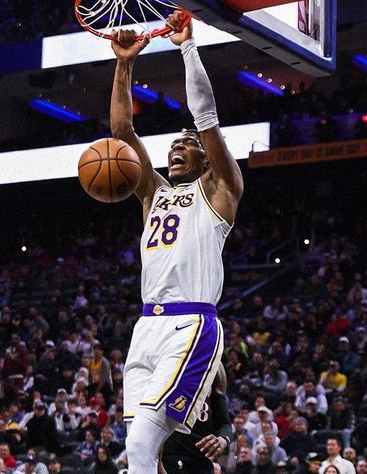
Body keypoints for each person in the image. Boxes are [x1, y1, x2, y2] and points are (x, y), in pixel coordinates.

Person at [110, 10, 244, 472]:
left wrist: (187, 47)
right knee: (141, 450)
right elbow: (122, 134)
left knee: (142, 440)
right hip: (146, 325)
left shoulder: (220, 191)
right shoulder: (154, 194)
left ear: (208, 158)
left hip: (191, 323)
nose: (176, 147)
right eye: (173, 144)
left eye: (187, 144)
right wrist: (124, 63)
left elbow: (205, 116)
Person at [161, 363, 234, 474]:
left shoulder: (216, 366)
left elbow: (225, 424)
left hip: (202, 460)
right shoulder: (168, 360)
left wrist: (222, 440)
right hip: (170, 455)